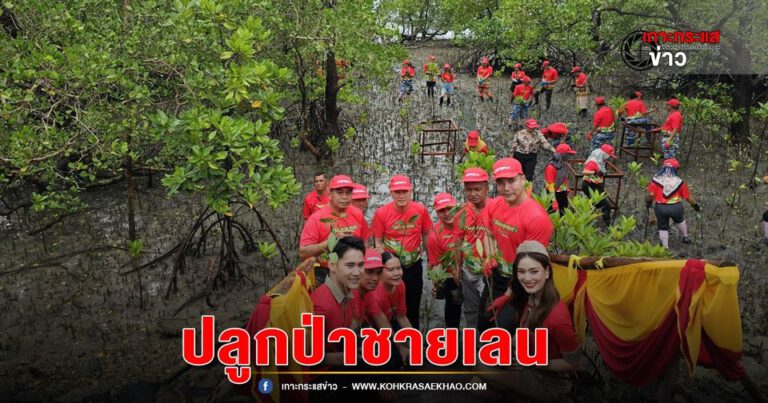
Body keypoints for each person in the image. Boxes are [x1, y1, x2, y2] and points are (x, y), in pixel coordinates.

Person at [477, 241, 580, 403]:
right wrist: (504, 347)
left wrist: (534, 362)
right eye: (521, 272)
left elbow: (573, 363)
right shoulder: (531, 298)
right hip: (529, 365)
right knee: (480, 381)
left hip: (550, 381)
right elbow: (524, 333)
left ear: (546, 272)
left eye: (534, 271)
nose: (527, 278)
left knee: (480, 368)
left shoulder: (557, 316)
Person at [481, 158, 554, 329]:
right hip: (498, 275)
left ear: (523, 179)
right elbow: (489, 235)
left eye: (511, 180)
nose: (506, 188)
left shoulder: (536, 218)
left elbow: (531, 265)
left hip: (523, 283)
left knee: (507, 330)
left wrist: (508, 295)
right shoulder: (495, 205)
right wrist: (490, 256)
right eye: (500, 182)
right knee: (484, 322)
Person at [372, 174, 434, 330]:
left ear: (410, 191)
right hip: (391, 268)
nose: (401, 195)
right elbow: (378, 241)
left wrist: (432, 261)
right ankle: (393, 341)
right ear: (391, 193)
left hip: (413, 266)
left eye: (404, 191)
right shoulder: (381, 213)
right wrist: (384, 264)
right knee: (391, 308)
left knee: (413, 307)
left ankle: (413, 341)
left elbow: (427, 234)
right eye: (397, 192)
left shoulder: (420, 210)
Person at [300, 175, 369, 285]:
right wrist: (331, 241)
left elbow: (364, 242)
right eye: (340, 192)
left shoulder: (357, 213)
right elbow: (303, 253)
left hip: (353, 271)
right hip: (325, 272)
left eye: (348, 192)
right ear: (330, 194)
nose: (345, 197)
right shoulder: (316, 218)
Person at [310, 236, 366, 365]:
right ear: (332, 265)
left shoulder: (351, 290)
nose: (357, 273)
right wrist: (345, 357)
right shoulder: (321, 307)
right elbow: (307, 357)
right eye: (350, 265)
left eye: (361, 265)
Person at [455, 168, 493, 330]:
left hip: (489, 274)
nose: (473, 194)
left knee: (489, 311)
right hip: (469, 270)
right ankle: (474, 347)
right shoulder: (463, 211)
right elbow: (458, 240)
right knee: (470, 311)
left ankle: (489, 346)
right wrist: (458, 267)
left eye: (477, 189)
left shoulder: (497, 209)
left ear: (487, 188)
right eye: (469, 190)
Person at [365, 252, 412, 363]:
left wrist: (414, 342)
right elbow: (382, 326)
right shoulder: (375, 293)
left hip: (389, 324)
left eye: (398, 268)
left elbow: (401, 317)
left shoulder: (400, 285)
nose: (396, 273)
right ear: (380, 272)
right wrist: (401, 347)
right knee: (394, 360)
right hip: (372, 330)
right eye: (390, 270)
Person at [426, 193, 462, 328]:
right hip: (451, 276)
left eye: (450, 208)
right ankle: (452, 337)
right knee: (453, 308)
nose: (447, 213)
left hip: (469, 271)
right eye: (442, 210)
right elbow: (435, 264)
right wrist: (435, 282)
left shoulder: (466, 223)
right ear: (437, 212)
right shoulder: (434, 235)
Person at [646, 158, 701, 247]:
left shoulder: (655, 180)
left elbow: (651, 195)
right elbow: (687, 197)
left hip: (661, 208)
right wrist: (695, 205)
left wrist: (648, 203)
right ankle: (685, 236)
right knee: (680, 220)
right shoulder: (679, 182)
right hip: (676, 207)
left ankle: (665, 247)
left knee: (663, 227)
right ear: (675, 169)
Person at [581, 144, 617, 226]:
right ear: (604, 154)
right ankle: (608, 225)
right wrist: (595, 172)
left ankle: (589, 221)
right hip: (589, 185)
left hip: (596, 185)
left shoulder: (601, 160)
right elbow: (584, 172)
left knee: (595, 203)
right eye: (609, 156)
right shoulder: (593, 161)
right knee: (606, 205)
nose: (610, 158)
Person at [545, 143, 577, 215]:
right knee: (553, 214)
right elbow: (550, 185)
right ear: (563, 154)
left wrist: (566, 189)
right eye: (568, 154)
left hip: (562, 191)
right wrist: (554, 201)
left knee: (564, 213)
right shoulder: (551, 167)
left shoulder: (563, 164)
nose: (569, 156)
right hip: (553, 193)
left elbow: (563, 178)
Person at [358, 248, 384, 327]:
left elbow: (380, 318)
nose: (375, 278)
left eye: (379, 272)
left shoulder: (368, 292)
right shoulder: (349, 296)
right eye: (369, 272)